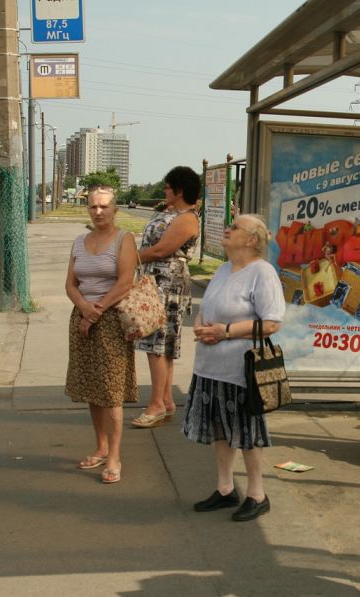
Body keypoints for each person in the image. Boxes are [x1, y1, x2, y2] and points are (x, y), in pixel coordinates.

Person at [184, 214, 285, 522]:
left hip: (241, 371)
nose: (227, 230)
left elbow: (271, 323)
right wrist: (201, 325)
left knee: (246, 432)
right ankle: (225, 489)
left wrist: (225, 332)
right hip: (210, 366)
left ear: (252, 240)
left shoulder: (262, 272)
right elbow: (208, 307)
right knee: (220, 429)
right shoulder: (225, 268)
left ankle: (257, 494)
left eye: (235, 227)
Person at [65, 185, 138, 484]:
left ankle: (115, 456)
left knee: (111, 390)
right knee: (91, 387)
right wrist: (83, 307)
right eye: (93, 207)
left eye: (104, 207)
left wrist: (96, 312)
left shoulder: (125, 239)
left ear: (115, 210)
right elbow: (70, 284)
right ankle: (101, 446)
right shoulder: (79, 242)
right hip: (82, 319)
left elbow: (125, 282)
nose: (98, 212)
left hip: (110, 322)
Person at [131, 166, 201, 428]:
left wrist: (128, 258)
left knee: (157, 345)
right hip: (158, 282)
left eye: (168, 187)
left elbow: (162, 250)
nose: (164, 191)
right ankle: (167, 400)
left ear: (180, 190)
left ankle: (156, 404)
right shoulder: (174, 213)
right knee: (163, 346)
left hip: (167, 284)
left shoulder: (186, 219)